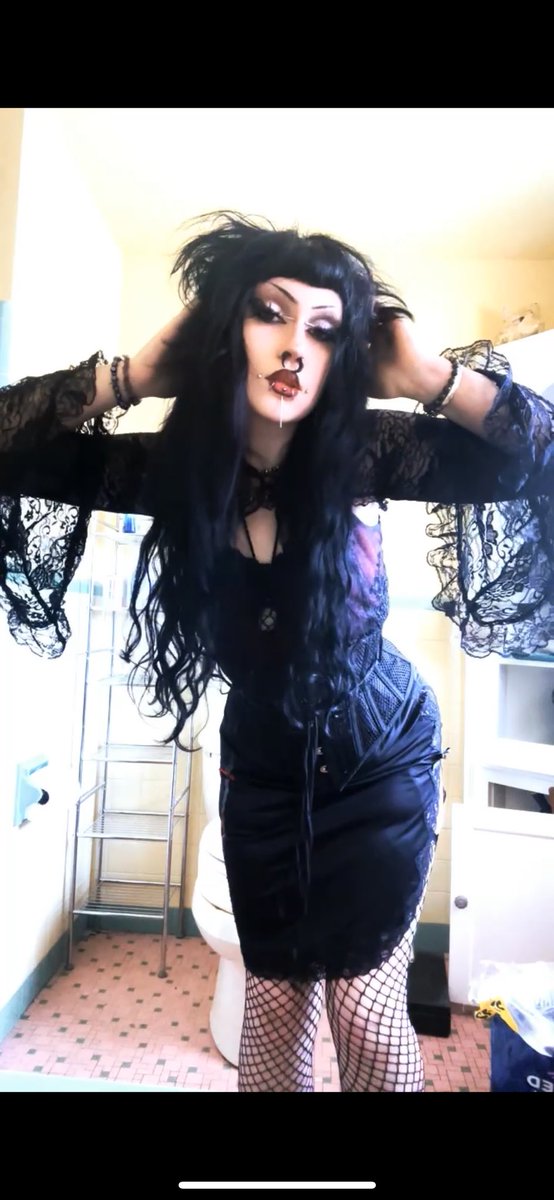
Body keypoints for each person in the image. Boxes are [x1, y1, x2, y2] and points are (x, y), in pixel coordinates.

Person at [1, 212, 553, 1093]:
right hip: (260, 773)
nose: (296, 345)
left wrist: (427, 376)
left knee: (365, 1016)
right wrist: (135, 372)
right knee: (273, 1011)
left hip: (380, 761)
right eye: (269, 312)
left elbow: (544, 452)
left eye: (325, 329)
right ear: (228, 332)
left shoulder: (368, 454)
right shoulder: (173, 471)